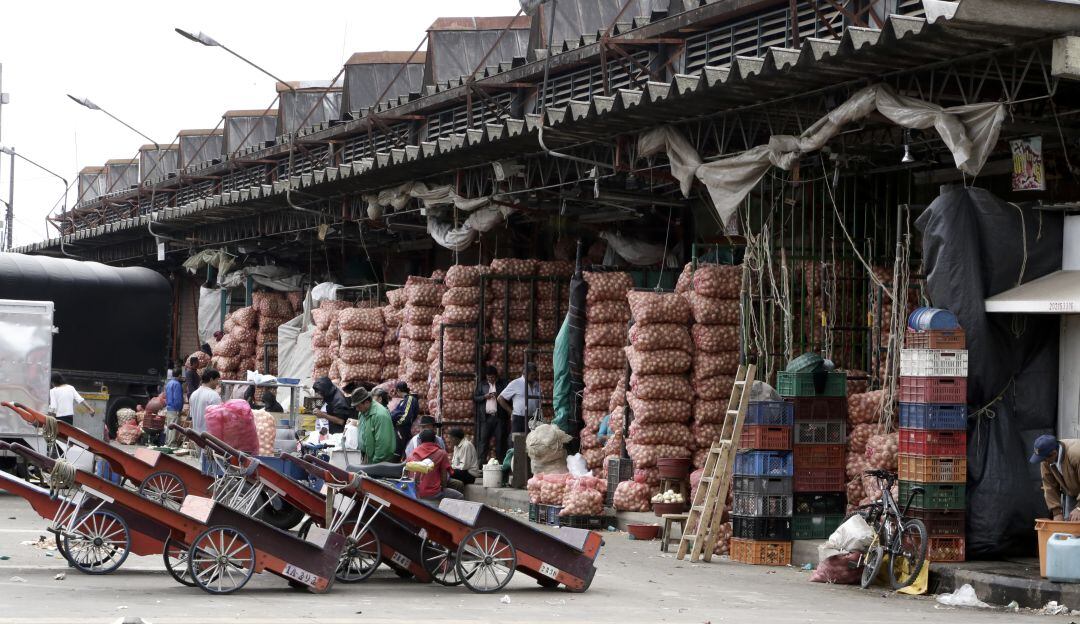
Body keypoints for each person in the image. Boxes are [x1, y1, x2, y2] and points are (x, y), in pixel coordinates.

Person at [1031, 434, 1080, 521]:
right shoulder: (1046, 460)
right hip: (1073, 491)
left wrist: (1079, 508)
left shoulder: (1076, 454)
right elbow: (1049, 485)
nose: (1043, 461)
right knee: (1070, 523)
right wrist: (1057, 512)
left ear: (1054, 453)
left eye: (1044, 459)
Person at [407, 429, 462, 503]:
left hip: (415, 492)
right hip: (434, 493)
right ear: (436, 440)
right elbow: (444, 476)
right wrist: (443, 488)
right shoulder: (441, 453)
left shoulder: (413, 453)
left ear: (420, 440)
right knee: (459, 496)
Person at [350, 387, 396, 464]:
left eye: (358, 406)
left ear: (367, 403)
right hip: (367, 457)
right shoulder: (363, 412)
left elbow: (383, 445)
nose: (357, 409)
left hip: (378, 462)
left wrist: (374, 464)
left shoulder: (380, 415)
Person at [497, 363, 541, 438]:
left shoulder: (536, 385)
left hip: (533, 419)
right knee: (519, 445)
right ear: (525, 373)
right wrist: (511, 412)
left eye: (535, 375)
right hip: (519, 419)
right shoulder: (516, 383)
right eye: (532, 375)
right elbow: (500, 398)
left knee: (533, 443)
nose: (534, 377)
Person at [475, 366, 508, 463]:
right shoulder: (482, 385)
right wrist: (484, 397)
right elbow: (475, 397)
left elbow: (508, 397)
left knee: (500, 441)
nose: (491, 379)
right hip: (486, 418)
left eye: (492, 377)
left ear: (496, 376)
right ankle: (481, 464)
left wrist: (499, 396)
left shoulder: (502, 384)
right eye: (489, 377)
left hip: (499, 417)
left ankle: (501, 463)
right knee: (483, 441)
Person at [390, 382, 419, 458]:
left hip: (402, 428)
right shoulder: (402, 401)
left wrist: (397, 423)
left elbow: (406, 416)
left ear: (398, 390)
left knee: (398, 451)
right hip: (398, 428)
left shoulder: (410, 399)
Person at [189, 369, 222, 434]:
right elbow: (218, 418)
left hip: (197, 436)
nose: (217, 383)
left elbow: (192, 416)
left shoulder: (193, 394)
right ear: (211, 379)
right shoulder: (213, 395)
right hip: (209, 437)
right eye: (217, 380)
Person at [163, 364, 184, 445]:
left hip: (169, 408)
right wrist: (179, 410)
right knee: (174, 428)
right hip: (175, 409)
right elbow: (177, 398)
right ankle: (171, 444)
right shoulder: (177, 384)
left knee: (169, 426)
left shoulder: (169, 383)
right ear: (179, 375)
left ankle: (167, 442)